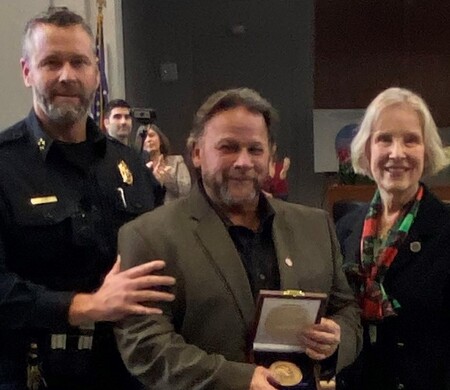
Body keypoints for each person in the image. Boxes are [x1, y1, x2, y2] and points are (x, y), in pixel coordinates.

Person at [115, 88, 362, 390]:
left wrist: (337, 339)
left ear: (271, 156)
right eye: (228, 147)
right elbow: (147, 348)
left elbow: (348, 311)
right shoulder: (148, 236)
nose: (243, 161)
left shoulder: (316, 225)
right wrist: (238, 380)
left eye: (255, 150)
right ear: (196, 153)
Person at [0, 8, 175, 390]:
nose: (67, 75)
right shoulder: (4, 164)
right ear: (27, 71)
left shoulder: (130, 165)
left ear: (95, 73)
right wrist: (87, 307)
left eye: (79, 62)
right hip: (37, 371)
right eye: (51, 63)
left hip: (131, 369)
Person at [335, 87, 450, 390]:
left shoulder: (445, 229)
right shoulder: (344, 228)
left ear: (426, 151)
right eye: (384, 138)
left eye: (410, 140)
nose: (396, 153)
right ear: (367, 149)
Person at [143, 123, 191, 203]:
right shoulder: (139, 167)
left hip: (173, 211)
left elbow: (186, 191)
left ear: (160, 140)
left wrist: (166, 179)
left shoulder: (176, 161)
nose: (148, 140)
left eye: (151, 135)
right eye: (144, 137)